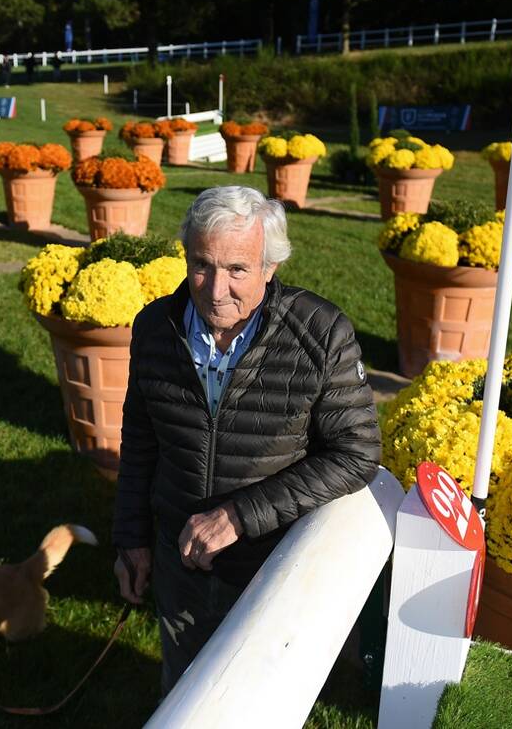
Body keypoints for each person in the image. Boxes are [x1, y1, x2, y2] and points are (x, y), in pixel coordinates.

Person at [112, 185, 381, 695]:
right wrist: (131, 539)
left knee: (260, 696)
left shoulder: (321, 333)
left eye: (237, 270)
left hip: (271, 566)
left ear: (269, 267)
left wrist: (238, 517)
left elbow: (357, 452)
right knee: (185, 692)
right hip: (180, 560)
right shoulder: (153, 327)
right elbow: (141, 440)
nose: (215, 290)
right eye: (201, 265)